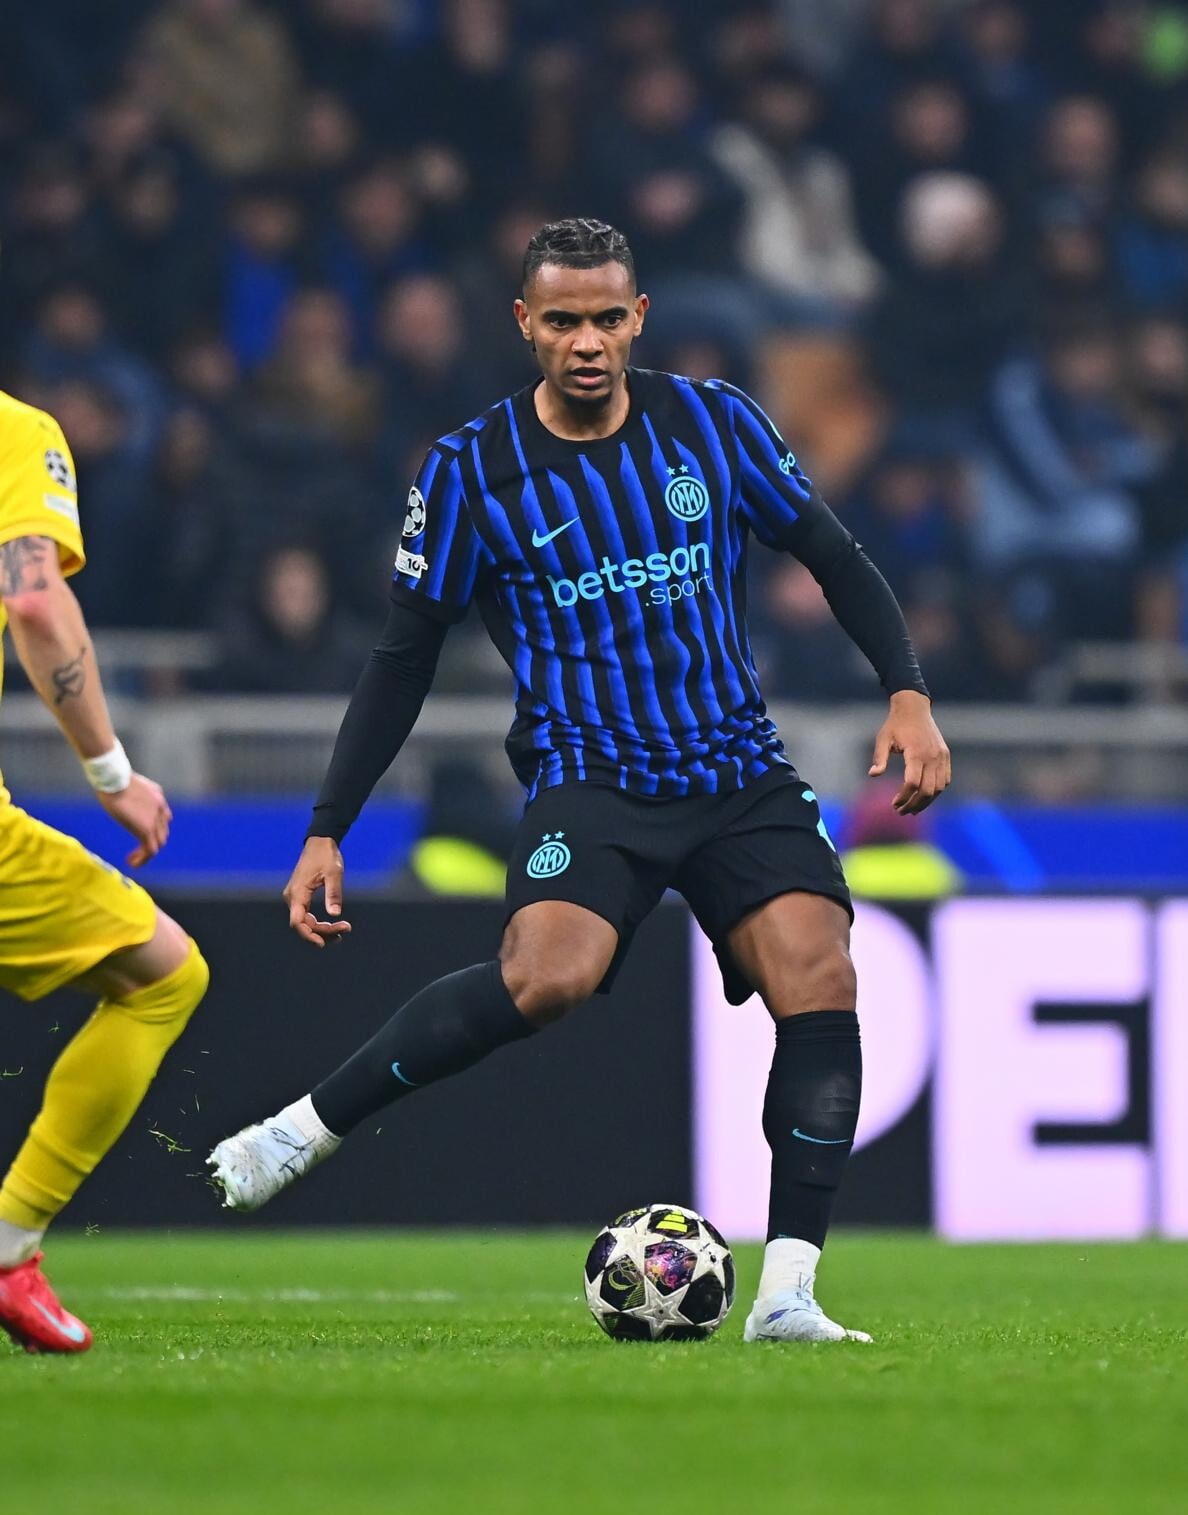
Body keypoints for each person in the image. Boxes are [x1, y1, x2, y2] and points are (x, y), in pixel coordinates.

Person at [208, 218, 950, 1345]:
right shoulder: (471, 471)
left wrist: (907, 689)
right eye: (563, 320)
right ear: (525, 324)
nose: (588, 341)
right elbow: (402, 658)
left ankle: (788, 1294)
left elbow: (833, 556)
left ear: (638, 317)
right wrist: (327, 826)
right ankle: (299, 1132)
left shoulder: (715, 422)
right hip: (591, 772)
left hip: (734, 767)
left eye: (607, 317)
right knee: (546, 978)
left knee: (823, 977)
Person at [0, 392, 209, 1354]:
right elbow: (34, 599)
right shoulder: (16, 433)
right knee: (163, 975)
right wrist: (112, 772)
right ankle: (9, 1247)